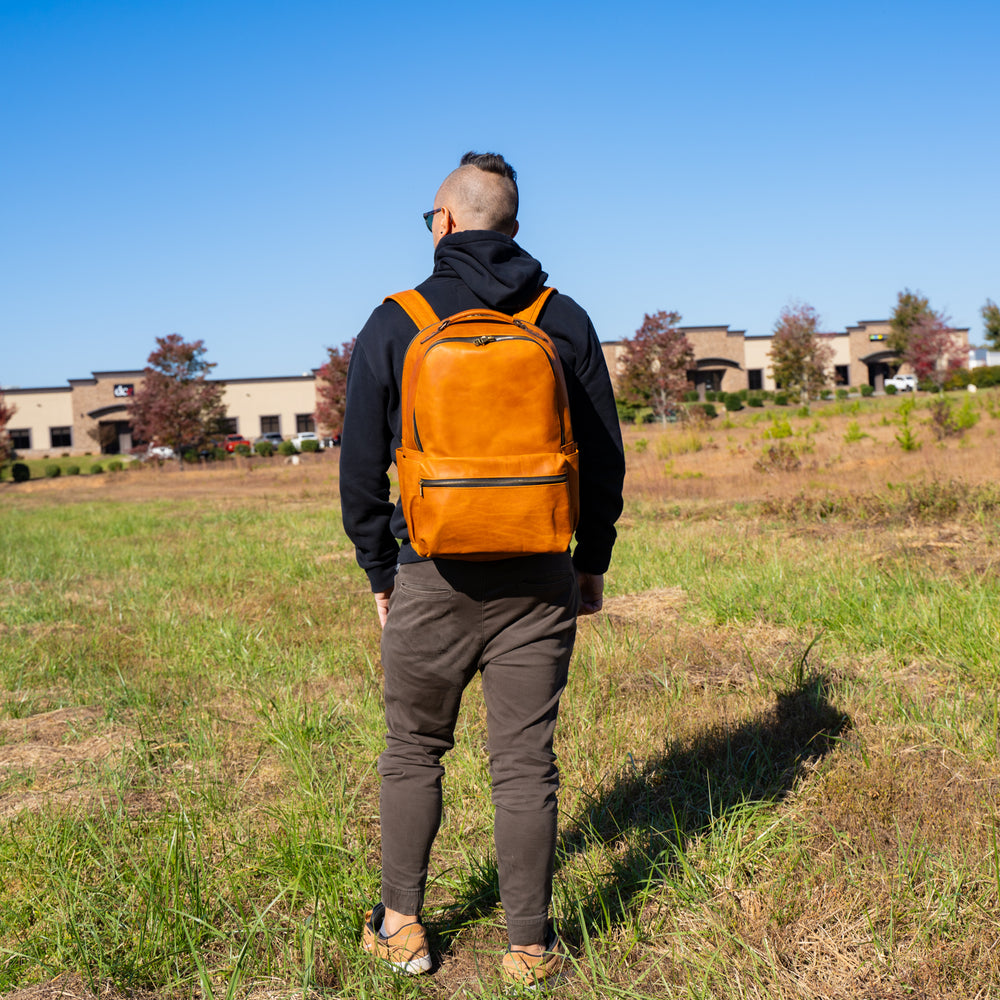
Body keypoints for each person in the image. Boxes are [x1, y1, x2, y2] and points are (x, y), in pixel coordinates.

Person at [339, 151, 625, 984]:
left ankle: (400, 926)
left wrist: (379, 572)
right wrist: (590, 563)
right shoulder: (561, 317)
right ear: (513, 229)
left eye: (432, 216)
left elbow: (360, 469)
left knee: (413, 750)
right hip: (539, 572)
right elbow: (603, 460)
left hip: (431, 569)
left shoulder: (397, 320)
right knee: (525, 760)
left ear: (448, 222)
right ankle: (529, 947)